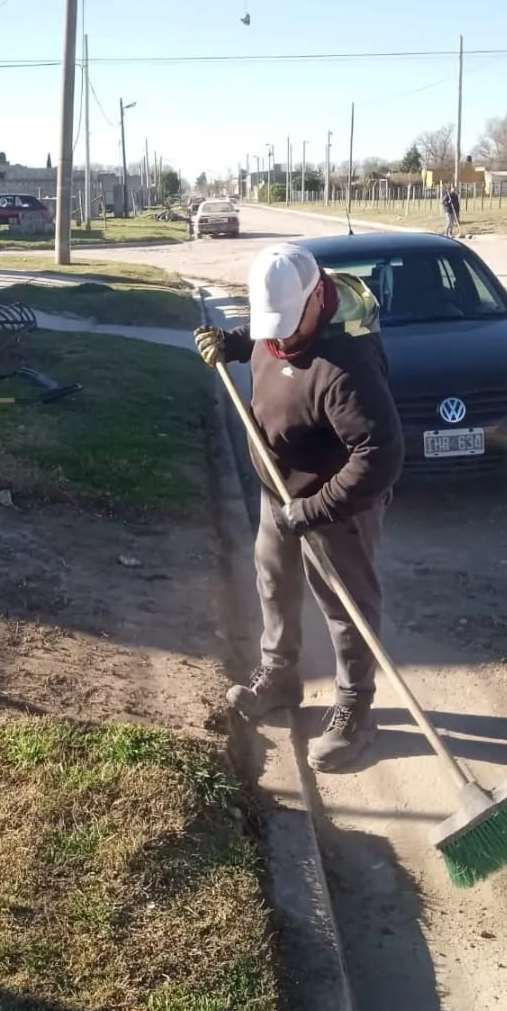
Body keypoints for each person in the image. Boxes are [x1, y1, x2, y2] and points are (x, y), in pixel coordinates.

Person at [193, 243, 404, 772]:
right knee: (274, 583)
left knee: (345, 606)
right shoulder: (279, 326)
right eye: (271, 325)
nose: (279, 336)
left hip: (337, 505)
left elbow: (380, 456)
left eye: (287, 324)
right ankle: (280, 676)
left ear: (319, 298)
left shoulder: (347, 363)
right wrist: (233, 343)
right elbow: (264, 342)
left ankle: (356, 707)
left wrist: (313, 511)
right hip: (277, 490)